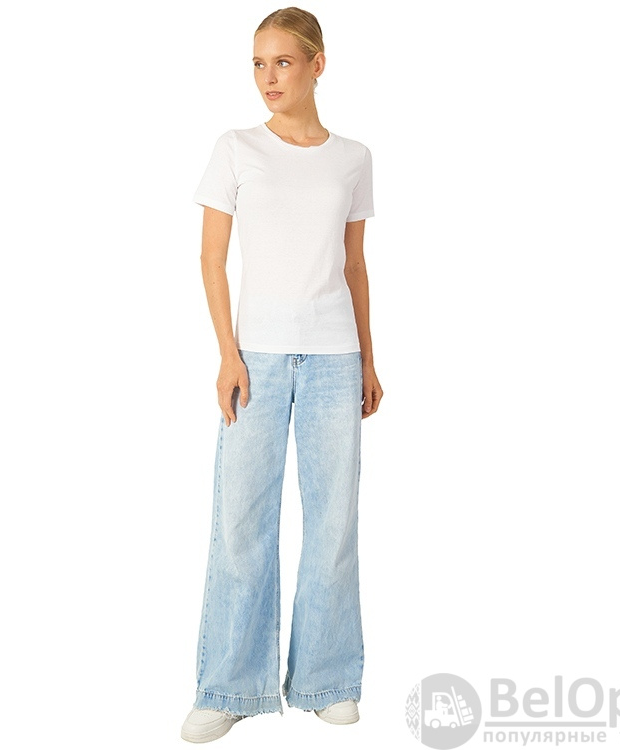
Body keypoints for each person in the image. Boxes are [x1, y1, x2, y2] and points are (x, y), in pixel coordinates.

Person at [180, 7, 383, 743]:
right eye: (259, 64)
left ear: (317, 64)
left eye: (283, 63)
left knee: (333, 523)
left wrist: (369, 359)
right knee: (241, 523)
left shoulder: (352, 157)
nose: (269, 77)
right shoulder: (236, 148)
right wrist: (227, 354)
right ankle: (229, 687)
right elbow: (211, 259)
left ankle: (327, 680)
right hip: (257, 359)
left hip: (334, 357)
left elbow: (354, 265)